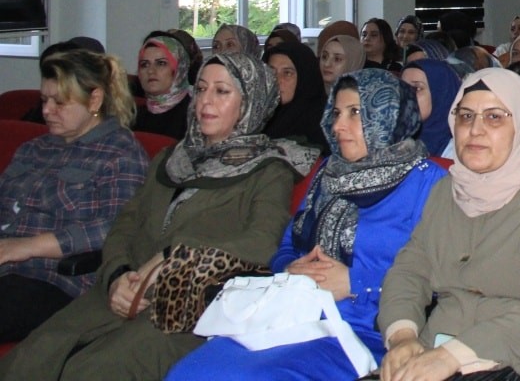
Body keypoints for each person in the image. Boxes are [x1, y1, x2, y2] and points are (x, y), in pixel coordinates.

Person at [0, 53, 316, 381]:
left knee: (94, 369)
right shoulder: (171, 159)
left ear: (250, 102)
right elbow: (124, 224)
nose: (205, 101)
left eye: (221, 92)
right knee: (32, 357)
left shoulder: (268, 170)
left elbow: (264, 241)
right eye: (202, 88)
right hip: (121, 291)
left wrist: (177, 255)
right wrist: (117, 275)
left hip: (185, 307)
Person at [166, 69, 446, 381]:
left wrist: (357, 283)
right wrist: (292, 268)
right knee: (189, 371)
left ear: (388, 115)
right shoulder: (329, 171)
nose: (339, 125)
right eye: (337, 112)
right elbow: (287, 245)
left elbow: (442, 278)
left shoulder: (429, 183)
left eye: (356, 112)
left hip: (370, 330)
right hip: (293, 316)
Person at [377, 68, 520, 381]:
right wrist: (403, 336)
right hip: (438, 356)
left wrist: (453, 355)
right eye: (465, 116)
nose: (475, 130)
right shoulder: (447, 191)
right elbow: (409, 271)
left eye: (494, 117)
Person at [0, 51, 149, 341]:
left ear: (94, 99)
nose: (46, 111)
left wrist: (27, 246)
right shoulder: (34, 148)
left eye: (59, 102)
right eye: (44, 100)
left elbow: (115, 228)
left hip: (53, 279)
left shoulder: (121, 152)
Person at [262, 40, 329, 153]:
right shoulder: (258, 118)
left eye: (287, 73)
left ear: (305, 78)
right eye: (271, 72)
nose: (277, 80)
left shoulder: (323, 126)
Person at [133, 35, 195, 139]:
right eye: (144, 64)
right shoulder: (133, 116)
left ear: (178, 69)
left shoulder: (194, 115)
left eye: (161, 63)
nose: (151, 71)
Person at [399, 58, 460, 154]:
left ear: (440, 94)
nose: (406, 95)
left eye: (417, 88)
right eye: (402, 87)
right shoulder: (392, 143)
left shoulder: (460, 154)